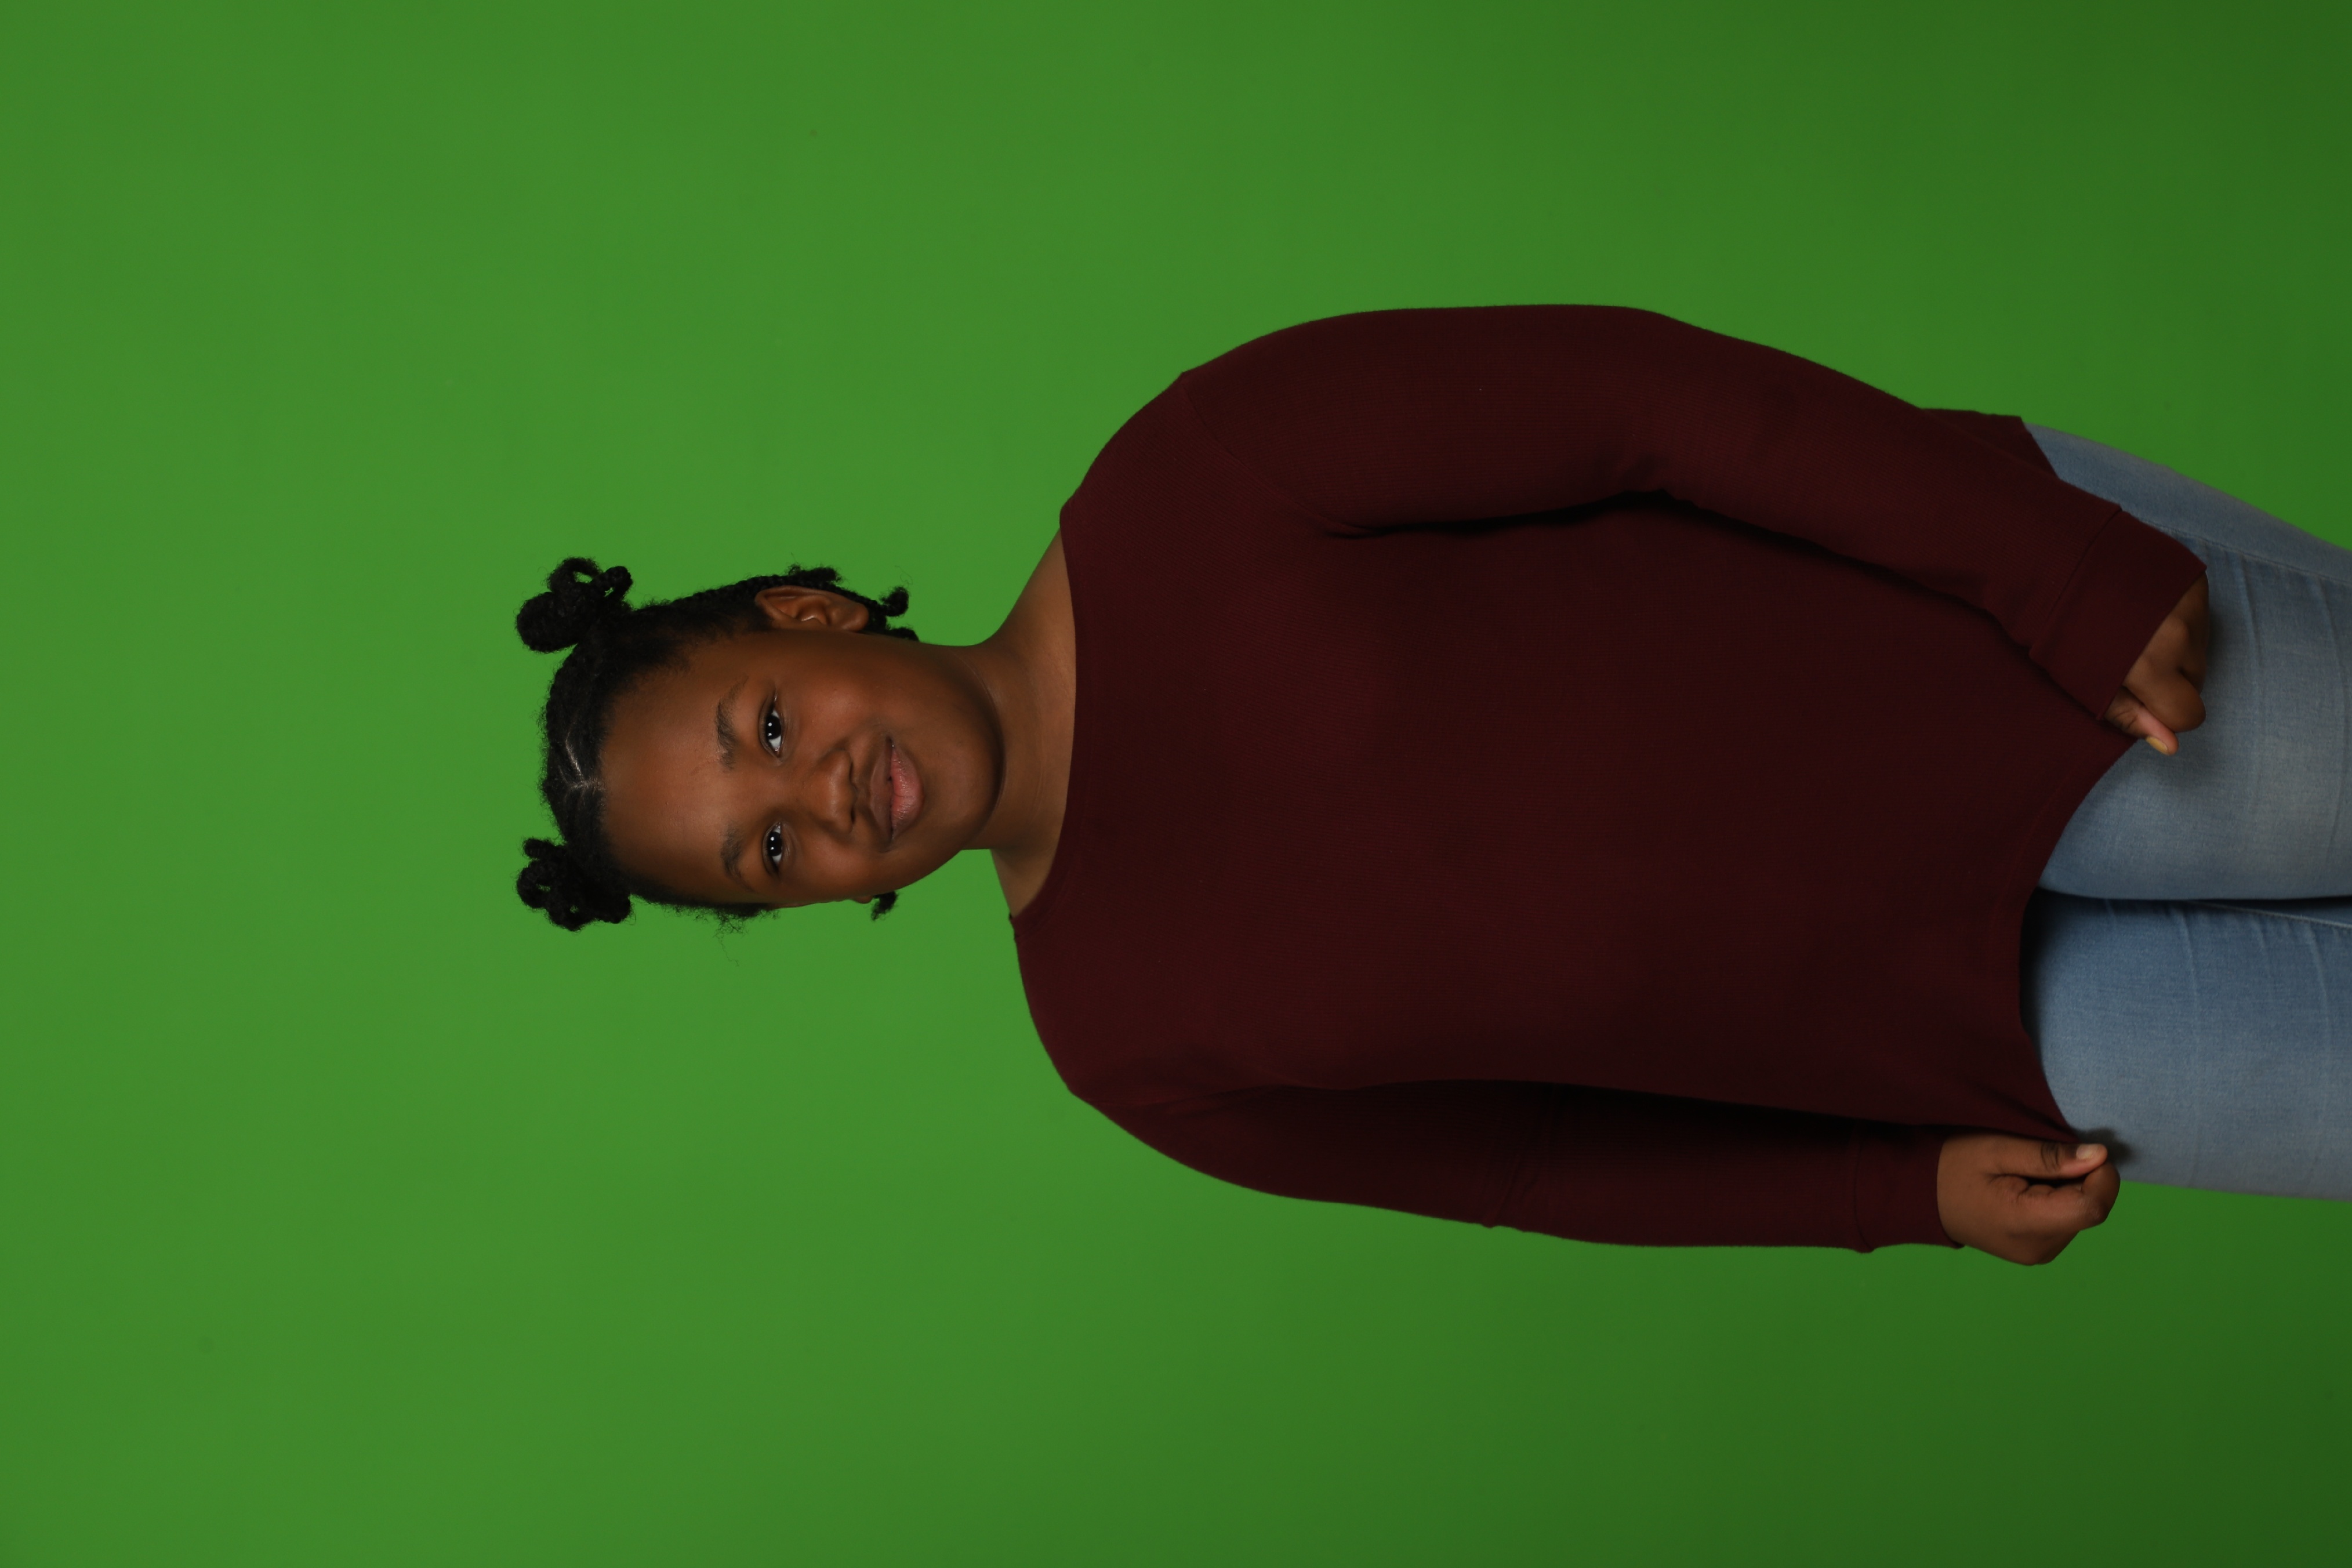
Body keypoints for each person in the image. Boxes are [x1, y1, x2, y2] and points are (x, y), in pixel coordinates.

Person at [510, 306, 2352, 1265]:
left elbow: (1648, 403)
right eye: (768, 854)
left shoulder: (1195, 474)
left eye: (769, 728)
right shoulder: (1129, 1050)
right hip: (1992, 1037)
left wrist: (2048, 570)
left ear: (809, 613)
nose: (824, 801)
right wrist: (1894, 1189)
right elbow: (1534, 1160)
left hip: (2018, 676)